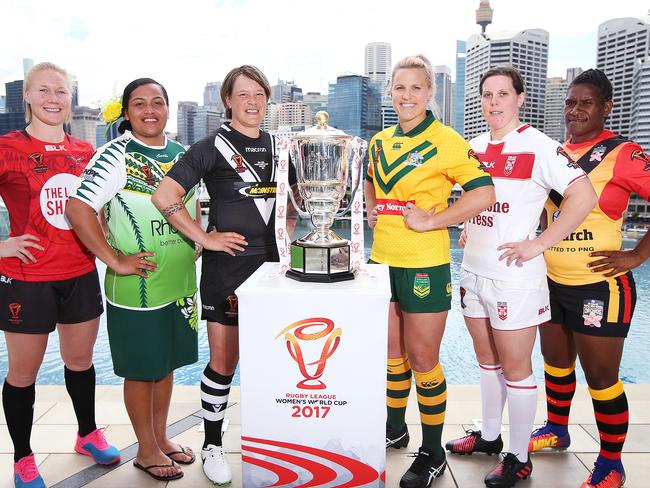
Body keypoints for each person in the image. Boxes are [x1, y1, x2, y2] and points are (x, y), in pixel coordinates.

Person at [441, 66, 597, 488]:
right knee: (487, 361)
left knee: (516, 368)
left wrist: (539, 243)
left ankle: (519, 455)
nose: (494, 102)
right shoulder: (471, 147)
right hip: (473, 270)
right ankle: (490, 438)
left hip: (515, 276)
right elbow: (474, 200)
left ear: (520, 98)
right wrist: (467, 222)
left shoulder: (540, 146)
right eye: (487, 95)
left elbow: (585, 195)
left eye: (503, 94)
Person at [152, 64, 296, 485]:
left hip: (273, 270)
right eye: (243, 94)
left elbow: (286, 202)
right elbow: (165, 194)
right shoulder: (210, 146)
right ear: (228, 101)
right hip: (227, 271)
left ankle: (271, 440)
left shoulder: (278, 144)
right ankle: (213, 444)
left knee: (272, 360)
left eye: (259, 95)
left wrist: (286, 241)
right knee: (224, 361)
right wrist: (204, 237)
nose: (252, 102)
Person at [364, 54, 496, 488]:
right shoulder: (379, 141)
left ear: (429, 92)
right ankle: (395, 427)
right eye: (399, 87)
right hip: (382, 260)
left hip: (425, 263)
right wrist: (370, 205)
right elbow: (370, 178)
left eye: (416, 88)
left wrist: (434, 220)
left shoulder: (447, 140)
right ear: (391, 92)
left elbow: (483, 194)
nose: (407, 95)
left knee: (423, 359)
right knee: (391, 356)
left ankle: (432, 450)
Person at [66, 78, 198, 482]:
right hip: (137, 287)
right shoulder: (115, 155)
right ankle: (145, 450)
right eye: (139, 104)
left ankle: (160, 438)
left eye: (157, 102)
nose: (149, 110)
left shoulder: (181, 154)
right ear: (127, 113)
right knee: (142, 370)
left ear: (168, 109)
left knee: (166, 365)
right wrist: (114, 260)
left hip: (179, 283)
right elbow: (77, 208)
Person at [528, 69, 650, 488]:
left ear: (606, 108)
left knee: (601, 379)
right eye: (570, 102)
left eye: (586, 102)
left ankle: (611, 463)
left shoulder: (623, 153)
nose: (575, 110)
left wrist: (637, 254)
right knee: (556, 365)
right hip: (551, 281)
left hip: (601, 286)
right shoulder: (555, 153)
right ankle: (557, 430)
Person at [0, 62, 119, 488]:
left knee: (80, 362)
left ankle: (86, 434)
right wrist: (1, 246)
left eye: (62, 91)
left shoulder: (86, 152)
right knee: (23, 374)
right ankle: (23, 457)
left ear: (71, 98)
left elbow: (96, 211)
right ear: (27, 96)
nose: (54, 99)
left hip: (80, 272)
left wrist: (111, 245)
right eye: (44, 90)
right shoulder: (7, 147)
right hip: (26, 278)